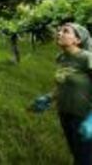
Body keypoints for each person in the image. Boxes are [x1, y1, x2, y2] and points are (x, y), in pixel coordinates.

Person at [32, 23, 92, 164]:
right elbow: (63, 85)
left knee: (85, 158)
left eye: (66, 31)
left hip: (83, 116)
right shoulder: (61, 58)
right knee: (76, 152)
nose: (59, 33)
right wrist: (48, 97)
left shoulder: (87, 58)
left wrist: (91, 119)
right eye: (59, 30)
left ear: (77, 40)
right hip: (64, 113)